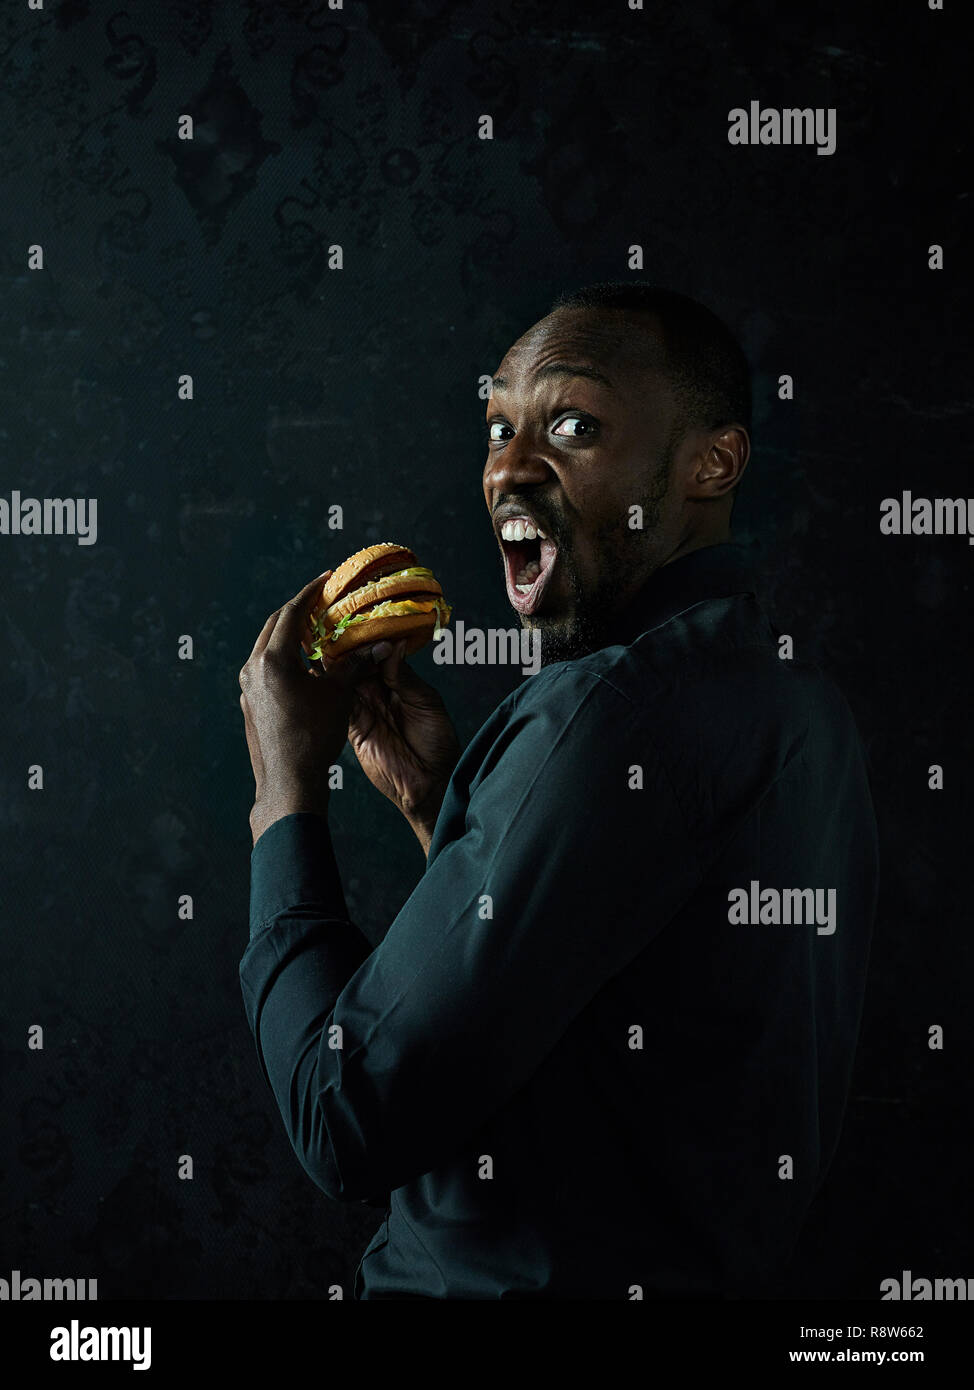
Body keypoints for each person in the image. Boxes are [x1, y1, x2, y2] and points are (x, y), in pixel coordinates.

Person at [237, 282, 879, 1300]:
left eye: (571, 424)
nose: (508, 467)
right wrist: (441, 808)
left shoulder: (599, 714)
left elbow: (342, 1116)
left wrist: (284, 794)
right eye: (497, 426)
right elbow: (600, 1022)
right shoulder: (796, 702)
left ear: (712, 461)